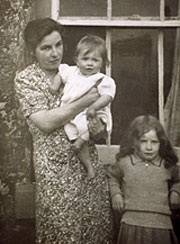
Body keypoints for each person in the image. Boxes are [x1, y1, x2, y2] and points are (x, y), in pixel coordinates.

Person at [14, 18, 114, 244]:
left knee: (93, 229)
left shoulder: (77, 71)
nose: (54, 53)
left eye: (58, 45)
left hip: (86, 166)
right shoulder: (27, 79)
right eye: (46, 48)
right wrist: (86, 100)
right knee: (61, 231)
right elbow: (46, 122)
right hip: (53, 170)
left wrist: (97, 126)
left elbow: (97, 118)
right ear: (33, 50)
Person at [49, 35, 116, 178]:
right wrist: (55, 85)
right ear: (76, 60)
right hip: (74, 113)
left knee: (87, 125)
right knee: (71, 129)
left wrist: (94, 107)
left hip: (94, 111)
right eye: (85, 59)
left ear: (103, 63)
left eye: (95, 60)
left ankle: (82, 141)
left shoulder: (102, 79)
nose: (90, 64)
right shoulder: (72, 72)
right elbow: (60, 74)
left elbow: (107, 96)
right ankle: (88, 166)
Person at [107, 115, 180, 244]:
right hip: (131, 223)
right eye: (143, 141)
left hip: (161, 225)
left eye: (154, 142)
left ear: (161, 143)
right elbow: (112, 176)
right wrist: (116, 194)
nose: (149, 147)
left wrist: (176, 192)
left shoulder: (167, 165)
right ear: (134, 142)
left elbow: (178, 180)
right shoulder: (125, 163)